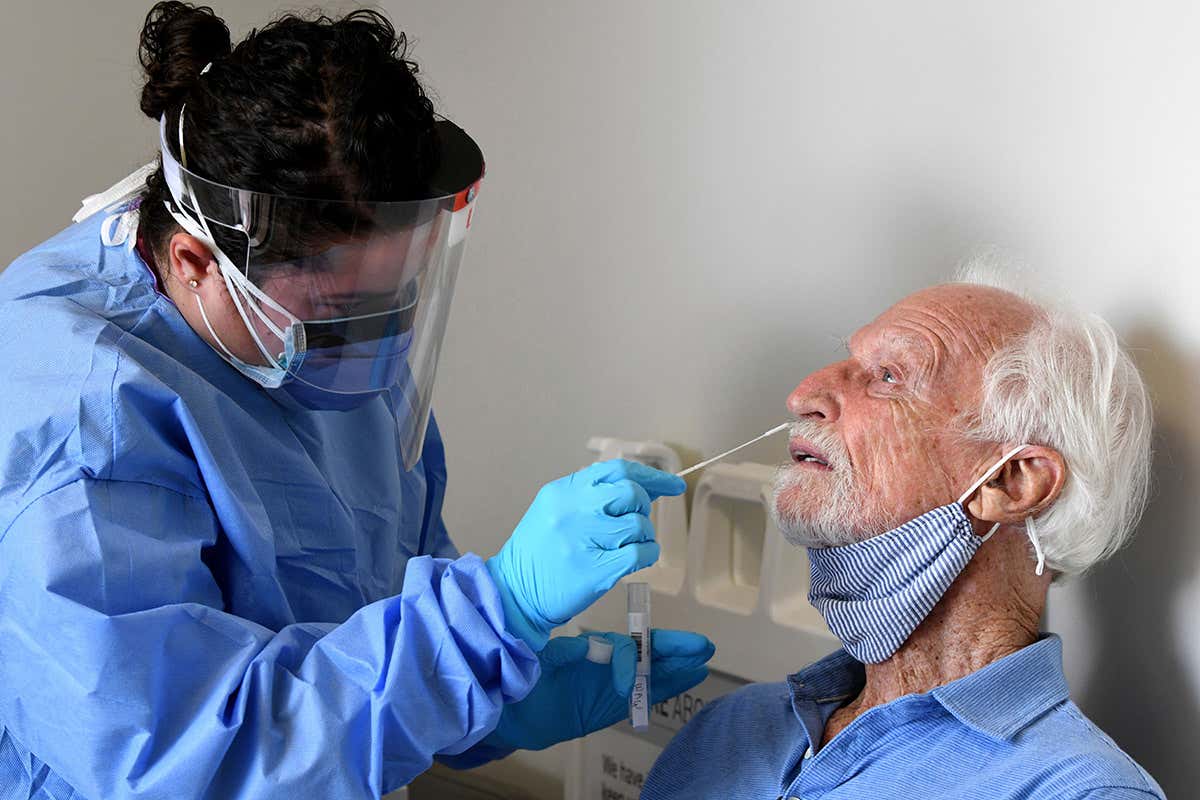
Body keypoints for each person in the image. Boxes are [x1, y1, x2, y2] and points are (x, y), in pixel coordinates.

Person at [0, 5, 713, 799]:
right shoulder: (78, 419)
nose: (370, 351)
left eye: (396, 300)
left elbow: (380, 591)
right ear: (196, 260)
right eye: (339, 312)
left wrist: (493, 691)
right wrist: (490, 618)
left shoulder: (324, 343)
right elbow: (188, 763)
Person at [642, 268, 1165, 799]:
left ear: (1013, 480)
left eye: (888, 376)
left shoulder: (1077, 791)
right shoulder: (729, 730)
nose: (804, 395)